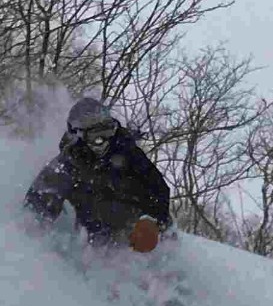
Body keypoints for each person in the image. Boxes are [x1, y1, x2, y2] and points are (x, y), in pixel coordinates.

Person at [24, 97, 171, 251]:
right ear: (80, 136)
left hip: (134, 221)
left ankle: (167, 264)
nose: (105, 141)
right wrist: (31, 235)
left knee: (164, 226)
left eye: (108, 131)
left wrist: (154, 220)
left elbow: (158, 187)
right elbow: (39, 199)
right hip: (94, 231)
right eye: (97, 137)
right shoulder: (68, 162)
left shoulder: (126, 150)